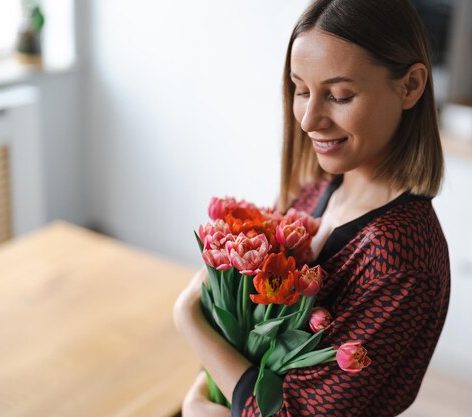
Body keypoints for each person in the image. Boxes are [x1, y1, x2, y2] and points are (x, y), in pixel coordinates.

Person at [173, 0, 450, 416]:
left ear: (410, 86)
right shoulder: (316, 191)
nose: (308, 120)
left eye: (340, 95)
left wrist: (186, 319)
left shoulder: (400, 256)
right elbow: (242, 331)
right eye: (302, 91)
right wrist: (201, 392)